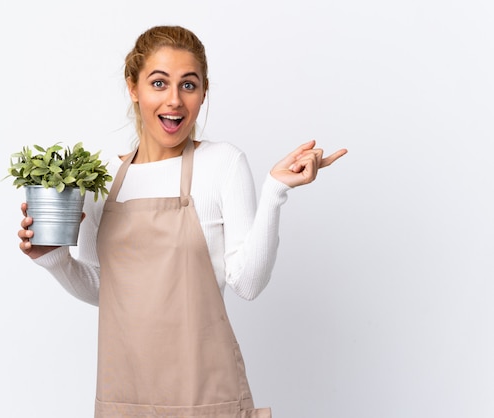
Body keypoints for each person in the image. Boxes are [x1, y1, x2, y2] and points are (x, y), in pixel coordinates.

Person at [18, 25, 347, 417]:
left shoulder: (223, 163)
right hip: (126, 397)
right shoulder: (103, 177)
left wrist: (275, 190)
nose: (174, 100)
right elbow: (110, 290)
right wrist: (54, 258)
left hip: (205, 398)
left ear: (204, 92)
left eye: (188, 85)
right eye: (159, 83)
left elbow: (248, 283)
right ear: (133, 88)